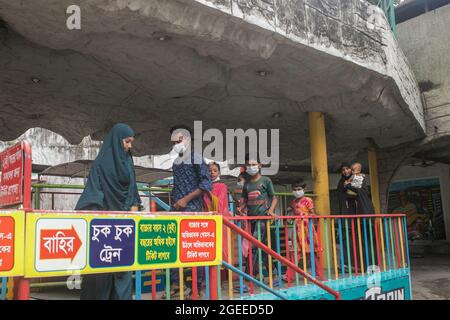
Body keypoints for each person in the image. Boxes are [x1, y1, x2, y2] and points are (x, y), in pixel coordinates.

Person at [76, 123, 141, 300]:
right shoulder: (100, 165)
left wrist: (133, 217)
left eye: (131, 142)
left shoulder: (128, 162)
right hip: (104, 230)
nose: (130, 146)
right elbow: (93, 196)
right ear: (116, 140)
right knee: (101, 274)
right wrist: (108, 219)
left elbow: (133, 192)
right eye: (127, 142)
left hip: (125, 228)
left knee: (123, 271)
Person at [165, 125, 212, 299]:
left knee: (194, 251)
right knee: (172, 249)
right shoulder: (175, 162)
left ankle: (196, 288)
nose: (177, 144)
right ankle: (177, 284)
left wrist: (185, 200)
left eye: (179, 140)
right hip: (175, 211)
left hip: (192, 211)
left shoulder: (197, 158)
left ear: (188, 140)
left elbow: (206, 184)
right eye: (174, 141)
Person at [240, 155, 278, 283]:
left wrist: (271, 211)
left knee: (255, 245)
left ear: (260, 165)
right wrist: (240, 208)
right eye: (248, 165)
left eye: (253, 164)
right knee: (264, 246)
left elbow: (274, 198)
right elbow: (245, 200)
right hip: (252, 219)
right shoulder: (246, 184)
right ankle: (273, 273)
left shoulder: (266, 180)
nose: (251, 167)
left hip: (263, 218)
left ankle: (248, 276)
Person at [284, 181, 324, 282]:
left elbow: (312, 214)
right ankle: (289, 276)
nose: (297, 191)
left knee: (312, 252)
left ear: (303, 190)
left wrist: (305, 217)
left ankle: (319, 274)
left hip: (307, 229)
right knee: (295, 252)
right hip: (297, 229)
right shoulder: (293, 202)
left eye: (299, 189)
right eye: (294, 190)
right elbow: (293, 214)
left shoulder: (308, 200)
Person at [204, 162, 231, 262]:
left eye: (215, 171)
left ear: (219, 173)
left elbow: (219, 201)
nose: (212, 173)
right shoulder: (205, 186)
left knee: (221, 244)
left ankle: (224, 268)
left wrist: (208, 191)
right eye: (209, 171)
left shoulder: (222, 185)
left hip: (220, 218)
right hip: (208, 219)